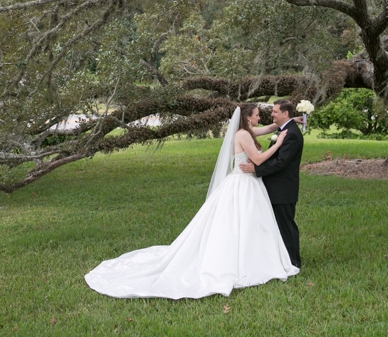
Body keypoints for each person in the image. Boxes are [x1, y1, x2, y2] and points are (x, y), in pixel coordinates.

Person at [84, 103, 299, 299]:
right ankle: (241, 262)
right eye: (257, 115)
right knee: (237, 223)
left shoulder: (246, 131)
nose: (260, 118)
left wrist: (289, 123)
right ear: (247, 118)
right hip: (243, 184)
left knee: (251, 224)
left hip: (250, 185)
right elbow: (259, 159)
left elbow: (268, 129)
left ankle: (255, 256)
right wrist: (279, 143)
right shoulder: (243, 135)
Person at [239, 99, 304, 268]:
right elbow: (268, 129)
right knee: (275, 225)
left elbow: (281, 163)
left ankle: (293, 261)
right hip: (273, 187)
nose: (271, 114)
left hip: (283, 189)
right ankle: (278, 258)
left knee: (286, 225)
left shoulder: (291, 134)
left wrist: (256, 169)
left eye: (275, 111)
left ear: (285, 113)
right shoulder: (284, 129)